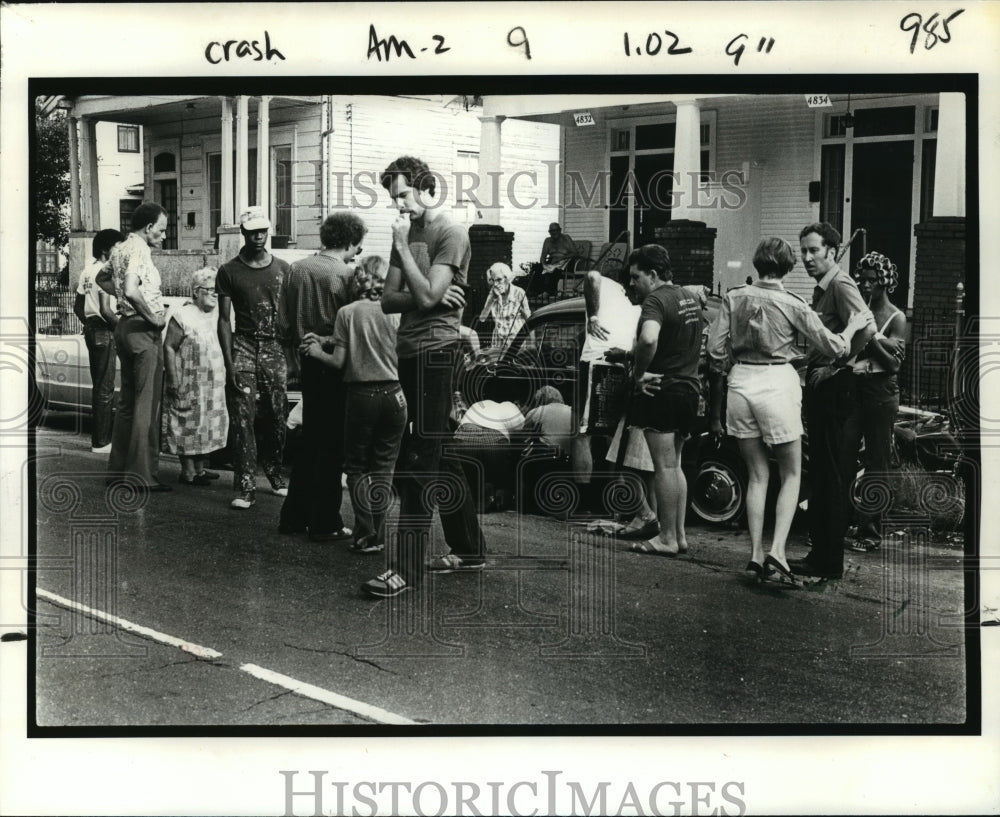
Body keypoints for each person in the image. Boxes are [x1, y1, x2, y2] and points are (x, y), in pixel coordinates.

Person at [706, 237, 872, 583]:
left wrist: (730, 367)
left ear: (756, 264)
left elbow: (714, 350)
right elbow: (835, 346)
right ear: (787, 266)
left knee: (755, 474)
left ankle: (754, 554)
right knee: (791, 473)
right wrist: (855, 324)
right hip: (777, 383)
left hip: (740, 382)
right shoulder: (793, 303)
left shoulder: (734, 297)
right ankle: (778, 552)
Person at [362, 155, 485, 598]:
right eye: (393, 198)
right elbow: (390, 300)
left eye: (402, 196)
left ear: (424, 186)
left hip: (436, 354)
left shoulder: (450, 233)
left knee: (417, 461)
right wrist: (426, 296)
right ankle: (469, 550)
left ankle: (406, 569)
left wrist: (425, 292)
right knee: (441, 454)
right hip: (409, 351)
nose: (399, 207)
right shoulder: (407, 233)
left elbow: (430, 291)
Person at [789, 223, 877, 581]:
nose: (807, 258)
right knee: (823, 475)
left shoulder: (840, 284)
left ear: (832, 250)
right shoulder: (823, 287)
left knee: (831, 476)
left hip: (835, 389)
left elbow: (867, 328)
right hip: (822, 386)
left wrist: (839, 363)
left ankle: (829, 561)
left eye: (814, 251)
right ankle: (821, 555)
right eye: (804, 251)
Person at [301, 255, 404, 553]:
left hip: (361, 396)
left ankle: (366, 532)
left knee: (357, 467)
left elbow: (339, 361)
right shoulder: (397, 312)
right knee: (384, 468)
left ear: (359, 279)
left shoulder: (347, 312)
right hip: (395, 394)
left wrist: (317, 349)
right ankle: (378, 535)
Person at [278, 212, 366, 540]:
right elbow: (353, 326)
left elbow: (283, 324)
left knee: (310, 440)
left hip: (304, 361)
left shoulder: (295, 269)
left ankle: (293, 517)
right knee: (332, 446)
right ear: (348, 241)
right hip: (335, 362)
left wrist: (293, 360)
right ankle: (323, 521)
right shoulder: (347, 275)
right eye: (357, 244)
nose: (358, 251)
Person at [625, 244, 702, 557]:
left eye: (635, 276)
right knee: (676, 465)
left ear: (653, 274)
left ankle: (666, 537)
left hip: (663, 390)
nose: (631, 283)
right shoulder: (688, 297)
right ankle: (679, 535)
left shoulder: (655, 300)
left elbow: (649, 338)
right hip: (689, 390)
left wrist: (639, 374)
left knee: (663, 467)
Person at [216, 207, 292, 510]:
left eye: (263, 231)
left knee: (276, 414)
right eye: (252, 232)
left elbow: (291, 317)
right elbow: (223, 320)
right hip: (244, 345)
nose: (258, 237)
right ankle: (246, 483)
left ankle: (274, 471)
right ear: (243, 234)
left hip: (275, 347)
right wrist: (229, 361)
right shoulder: (229, 271)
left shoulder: (285, 269)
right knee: (242, 417)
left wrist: (292, 356)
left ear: (268, 231)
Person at [96, 201, 171, 492]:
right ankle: (142, 475)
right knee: (146, 404)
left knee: (127, 403)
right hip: (143, 330)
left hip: (124, 328)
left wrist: (124, 302)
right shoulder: (139, 249)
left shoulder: (119, 248)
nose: (164, 236)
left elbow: (102, 278)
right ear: (149, 227)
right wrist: (153, 317)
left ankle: (118, 472)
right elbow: (129, 288)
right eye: (162, 230)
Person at [849, 251, 907, 553]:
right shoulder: (859, 312)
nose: (866, 285)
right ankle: (842, 522)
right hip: (856, 388)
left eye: (873, 280)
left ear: (885, 282)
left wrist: (872, 339)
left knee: (877, 463)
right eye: (863, 280)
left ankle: (869, 531)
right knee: (845, 454)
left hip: (882, 392)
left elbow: (895, 364)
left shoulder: (897, 318)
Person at [162, 267, 229, 485]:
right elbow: (169, 346)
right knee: (187, 422)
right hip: (188, 381)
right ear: (196, 291)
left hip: (212, 384)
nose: (214, 294)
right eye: (209, 290)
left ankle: (200, 469)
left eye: (216, 290)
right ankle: (188, 471)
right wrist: (172, 378)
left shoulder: (220, 314)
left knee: (206, 424)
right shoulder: (183, 314)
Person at [74, 228, 122, 453]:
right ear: (105, 250)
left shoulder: (86, 271)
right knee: (105, 388)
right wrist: (120, 329)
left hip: (92, 331)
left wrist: (88, 323)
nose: (119, 251)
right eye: (116, 247)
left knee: (99, 386)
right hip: (105, 330)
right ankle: (102, 441)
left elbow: (77, 306)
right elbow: (107, 311)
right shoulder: (105, 271)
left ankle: (100, 438)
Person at [478, 262, 530, 353]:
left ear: (507, 278)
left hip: (515, 342)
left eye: (499, 280)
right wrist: (491, 300)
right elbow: (482, 318)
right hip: (498, 342)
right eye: (493, 280)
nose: (495, 284)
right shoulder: (492, 293)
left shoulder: (519, 293)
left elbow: (529, 319)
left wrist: (532, 344)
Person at [536, 222, 580, 296]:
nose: (554, 233)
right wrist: (543, 264)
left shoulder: (566, 238)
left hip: (566, 261)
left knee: (555, 271)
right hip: (552, 261)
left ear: (560, 230)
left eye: (556, 230)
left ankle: (549, 293)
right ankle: (538, 293)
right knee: (537, 268)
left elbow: (575, 253)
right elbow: (543, 256)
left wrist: (562, 258)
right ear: (549, 232)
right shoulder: (547, 241)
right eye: (552, 231)